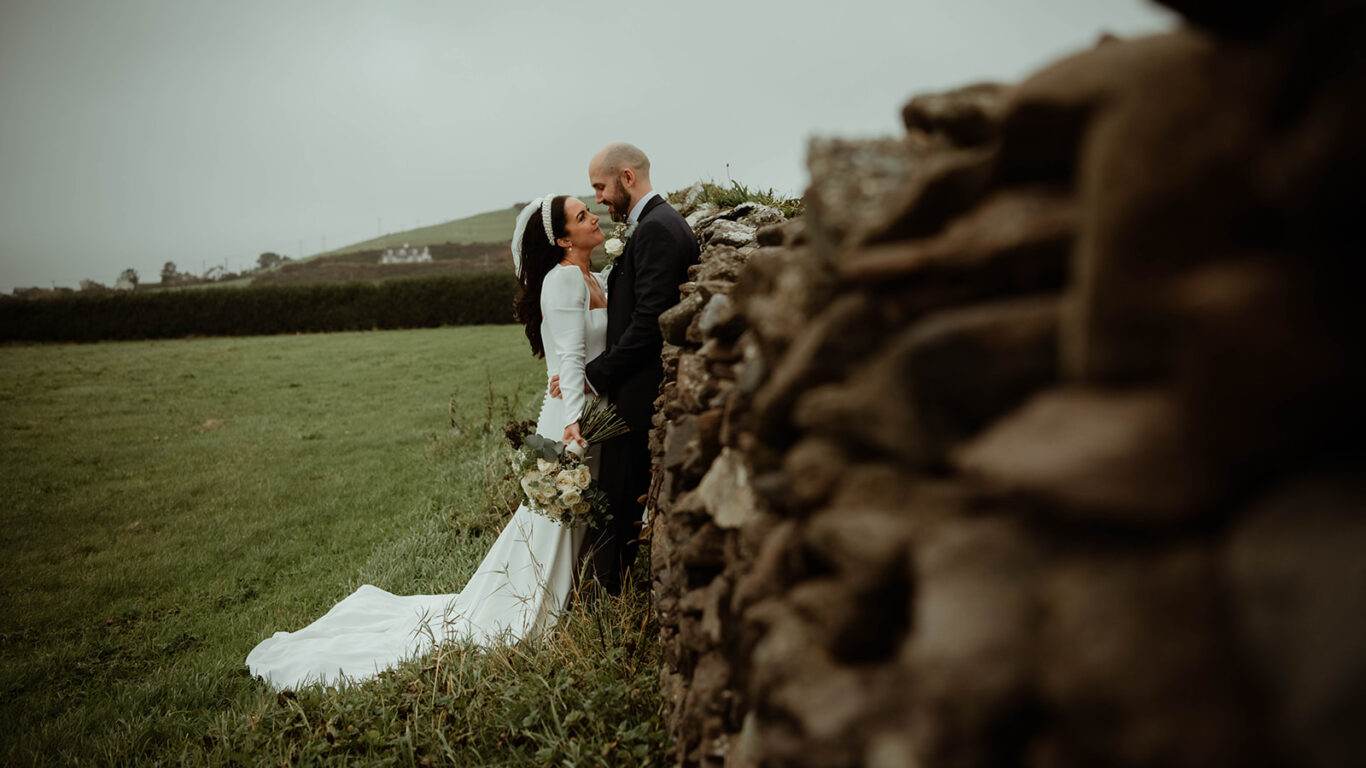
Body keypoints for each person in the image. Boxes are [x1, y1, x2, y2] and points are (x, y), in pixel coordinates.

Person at [245, 194, 608, 689]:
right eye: (582, 216)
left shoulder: (593, 277)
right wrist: (572, 426)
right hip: (566, 423)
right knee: (555, 523)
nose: (594, 218)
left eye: (590, 210)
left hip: (580, 414)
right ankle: (533, 612)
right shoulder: (564, 279)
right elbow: (568, 357)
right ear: (563, 238)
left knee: (555, 524)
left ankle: (555, 600)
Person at [553, 143, 699, 595]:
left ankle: (601, 600)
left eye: (601, 186)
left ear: (627, 178)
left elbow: (650, 322)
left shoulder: (656, 229)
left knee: (617, 506)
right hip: (634, 397)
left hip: (636, 400)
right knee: (617, 503)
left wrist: (594, 375)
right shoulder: (657, 224)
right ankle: (604, 596)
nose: (599, 199)